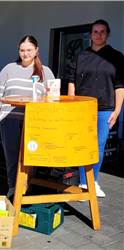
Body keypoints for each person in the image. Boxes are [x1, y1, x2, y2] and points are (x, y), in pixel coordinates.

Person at [0, 35, 55, 200]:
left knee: (31, 157)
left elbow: (52, 99)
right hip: (10, 121)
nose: (25, 54)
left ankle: (27, 187)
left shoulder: (46, 72)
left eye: (29, 50)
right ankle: (13, 187)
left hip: (34, 123)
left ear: (36, 50)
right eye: (22, 50)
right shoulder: (9, 69)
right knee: (12, 157)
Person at [68, 19, 124, 198]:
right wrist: (72, 104)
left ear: (107, 34)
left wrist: (117, 111)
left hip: (105, 109)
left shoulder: (116, 57)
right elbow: (72, 82)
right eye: (95, 32)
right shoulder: (81, 56)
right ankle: (84, 181)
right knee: (82, 145)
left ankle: (92, 181)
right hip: (82, 108)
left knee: (98, 145)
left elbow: (120, 86)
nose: (98, 35)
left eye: (102, 32)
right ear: (90, 34)